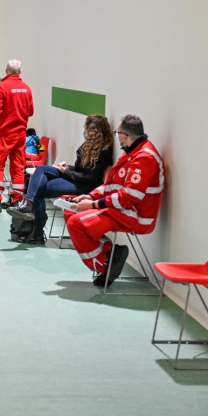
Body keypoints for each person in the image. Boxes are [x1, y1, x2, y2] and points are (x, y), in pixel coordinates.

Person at [66, 115, 166, 287]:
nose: (117, 136)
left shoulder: (144, 158)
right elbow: (111, 185)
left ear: (124, 136)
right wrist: (91, 196)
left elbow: (130, 197)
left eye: (117, 132)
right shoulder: (132, 152)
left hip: (136, 215)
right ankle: (111, 255)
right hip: (123, 210)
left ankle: (103, 265)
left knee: (76, 223)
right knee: (70, 211)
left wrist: (94, 205)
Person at [6, 115, 114, 244]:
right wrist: (67, 167)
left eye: (85, 128)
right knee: (41, 170)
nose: (84, 131)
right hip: (76, 179)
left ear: (92, 131)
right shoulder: (88, 145)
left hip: (85, 187)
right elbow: (80, 169)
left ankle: (37, 229)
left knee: (39, 188)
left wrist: (66, 172)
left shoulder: (104, 152)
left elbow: (91, 179)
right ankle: (29, 208)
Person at [0, 59, 34, 212]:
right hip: (21, 134)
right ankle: (15, 200)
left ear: (6, 70)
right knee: (18, 166)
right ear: (21, 71)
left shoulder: (2, 87)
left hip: (5, 134)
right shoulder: (27, 88)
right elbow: (30, 111)